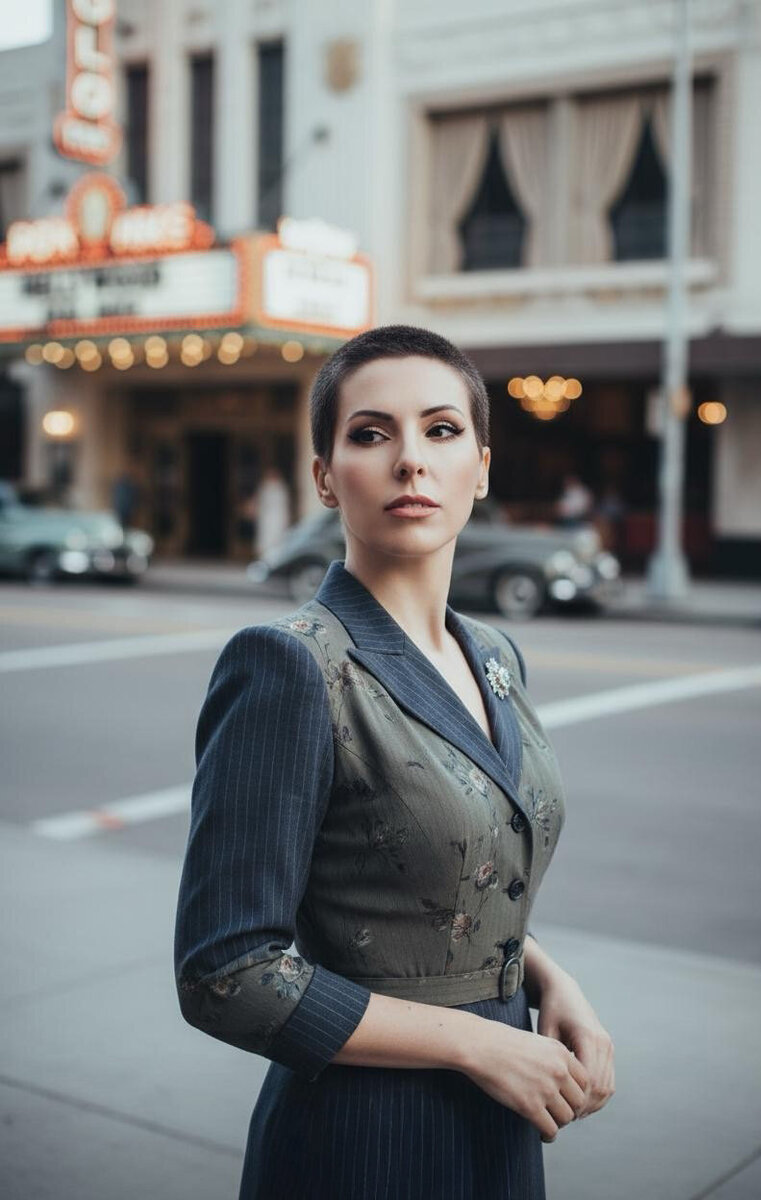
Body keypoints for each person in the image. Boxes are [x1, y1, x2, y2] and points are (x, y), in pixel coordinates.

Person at [173, 325, 615, 1200]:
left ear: (481, 468)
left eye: (441, 430)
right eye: (372, 434)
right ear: (326, 476)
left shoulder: (493, 654)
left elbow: (455, 876)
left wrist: (546, 974)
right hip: (365, 1136)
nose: (411, 460)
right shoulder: (289, 663)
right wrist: (477, 1042)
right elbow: (227, 972)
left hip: (500, 1113)